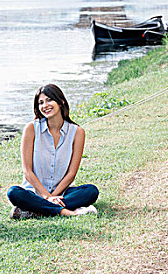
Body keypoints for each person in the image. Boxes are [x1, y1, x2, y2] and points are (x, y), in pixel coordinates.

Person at [7, 84, 99, 219]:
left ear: (61, 102)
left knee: (91, 191)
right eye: (41, 103)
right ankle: (66, 211)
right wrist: (47, 197)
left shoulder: (77, 132)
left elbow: (71, 173)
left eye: (49, 100)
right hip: (34, 192)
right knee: (14, 192)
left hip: (63, 192)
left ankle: (35, 210)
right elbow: (28, 172)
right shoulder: (32, 129)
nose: (45, 105)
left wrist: (54, 196)